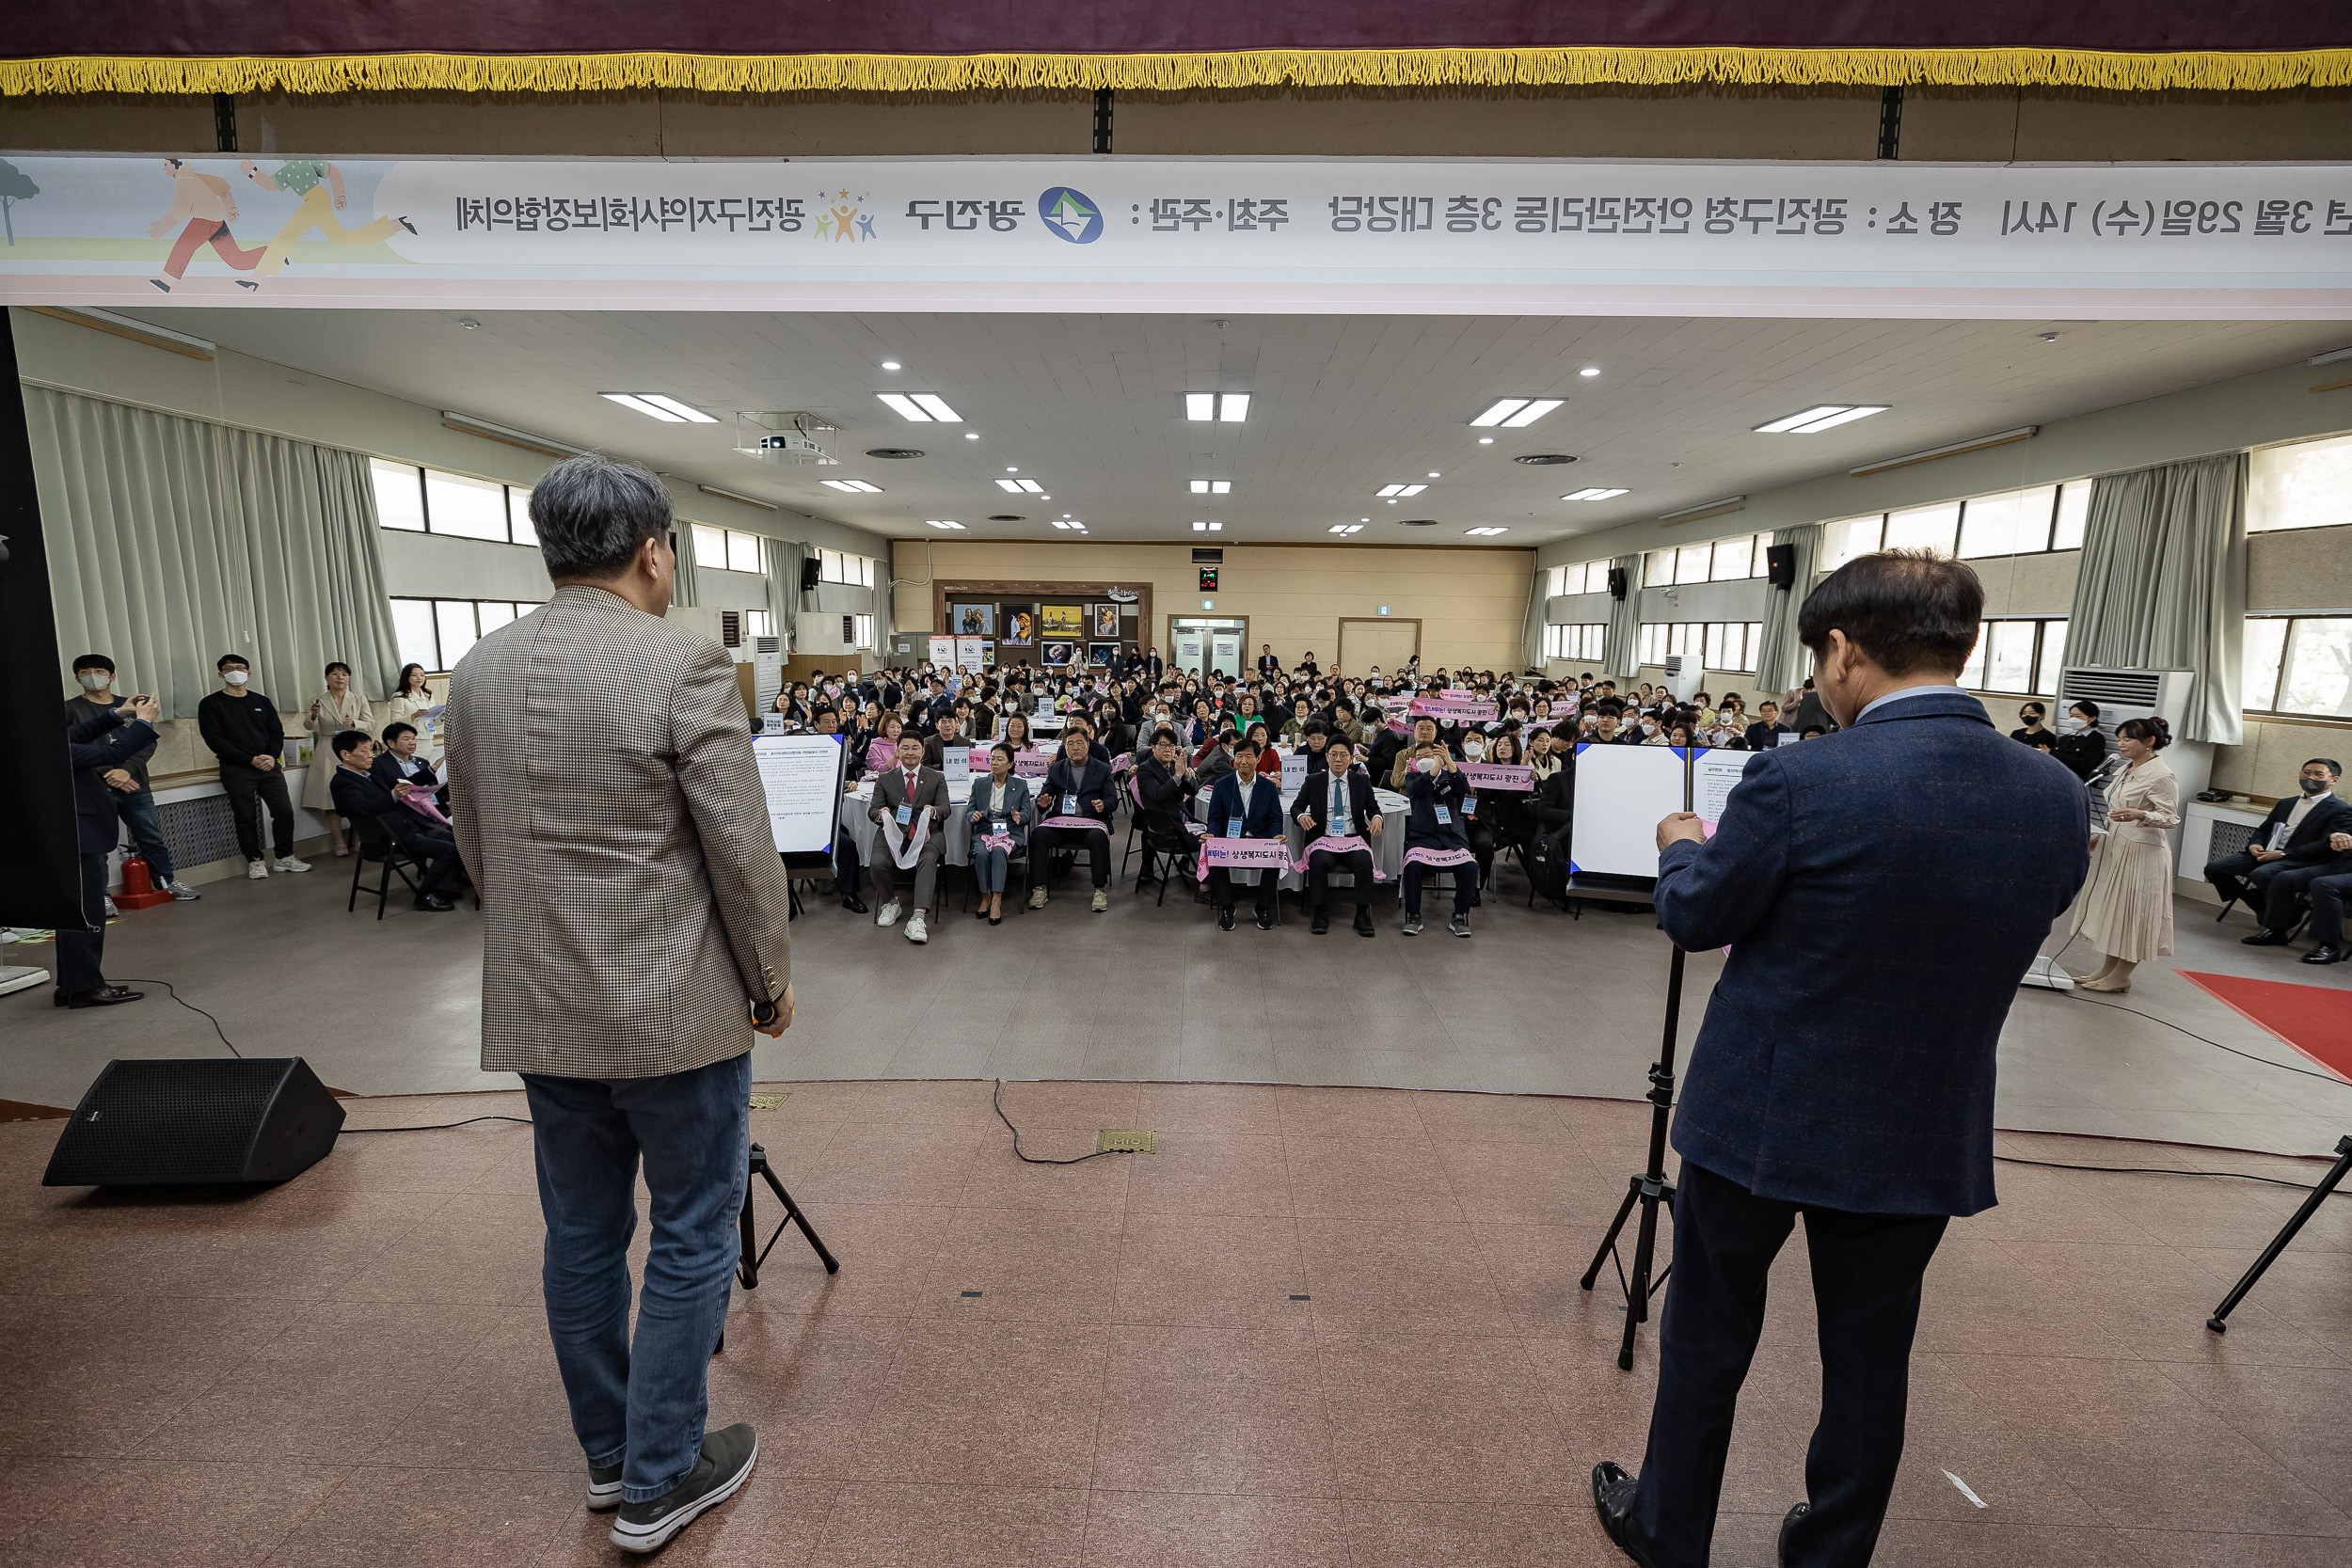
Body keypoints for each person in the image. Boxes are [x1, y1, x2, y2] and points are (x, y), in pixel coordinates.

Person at [1590, 551, 2090, 1568]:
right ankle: (1829, 1550)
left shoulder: (1799, 776)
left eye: (1821, 656)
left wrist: (1682, 841)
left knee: (1708, 1337)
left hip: (1761, 1117)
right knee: (1869, 1357)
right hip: (1919, 1120)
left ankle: (1668, 1528)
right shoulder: (2052, 792)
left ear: (1844, 651)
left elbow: (1696, 914)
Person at [445, 454, 791, 1555]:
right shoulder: (682, 660)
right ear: (653, 551)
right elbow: (740, 852)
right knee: (692, 1230)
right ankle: (661, 1475)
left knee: (582, 1232)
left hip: (544, 1006)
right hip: (672, 1012)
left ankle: (607, 1458)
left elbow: (473, 839)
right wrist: (769, 980)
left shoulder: (480, 667)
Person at [63, 654, 199, 901]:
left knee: (151, 837)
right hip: (94, 787)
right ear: (76, 677)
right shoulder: (70, 709)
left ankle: (165, 882)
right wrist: (107, 773)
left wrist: (127, 770)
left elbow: (146, 742)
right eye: (85, 672)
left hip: (135, 783)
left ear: (112, 676)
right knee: (96, 844)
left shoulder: (130, 705)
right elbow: (75, 750)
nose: (93, 676)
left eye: (100, 671)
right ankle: (99, 895)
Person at [57, 691, 163, 1006]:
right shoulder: (39, 746)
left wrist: (118, 715)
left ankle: (72, 984)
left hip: (75, 833)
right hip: (80, 836)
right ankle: (86, 987)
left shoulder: (39, 740)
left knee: (73, 916)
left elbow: (75, 735)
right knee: (88, 912)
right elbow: (112, 754)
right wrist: (143, 722)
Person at [2068, 717, 2183, 992]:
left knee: (2134, 913)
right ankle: (2108, 969)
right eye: (2120, 738)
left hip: (2142, 851)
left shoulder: (2161, 775)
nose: (2121, 743)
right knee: (2116, 911)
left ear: (2149, 741)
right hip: (2116, 846)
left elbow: (2171, 818)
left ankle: (2122, 975)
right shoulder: (2124, 769)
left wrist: (2141, 813)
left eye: (2128, 739)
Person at [2205, 758, 2352, 944]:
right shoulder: (2286, 803)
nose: (2310, 777)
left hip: (2297, 857)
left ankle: (2279, 923)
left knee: (2262, 875)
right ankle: (2256, 902)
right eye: (2306, 772)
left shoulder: (2341, 810)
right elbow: (2263, 829)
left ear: (2334, 780)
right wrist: (2254, 845)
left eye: (2318, 774)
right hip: (2266, 851)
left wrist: (2283, 854)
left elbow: (2324, 846)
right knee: (2215, 868)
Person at [198, 653, 310, 879]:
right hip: (236, 769)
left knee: (284, 812)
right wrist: (249, 759)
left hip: (269, 767)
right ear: (220, 674)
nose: (235, 672)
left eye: (240, 667)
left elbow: (276, 732)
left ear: (249, 672)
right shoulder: (210, 703)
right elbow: (214, 739)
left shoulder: (261, 701)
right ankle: (255, 861)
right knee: (245, 816)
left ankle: (284, 857)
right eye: (229, 669)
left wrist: (271, 755)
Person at [329, 730, 465, 911]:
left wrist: (431, 770)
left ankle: (445, 885)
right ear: (345, 755)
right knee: (450, 850)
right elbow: (361, 808)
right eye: (364, 751)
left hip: (404, 828)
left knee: (457, 839)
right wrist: (393, 795)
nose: (371, 756)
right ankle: (426, 895)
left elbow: (404, 783)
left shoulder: (369, 774)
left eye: (371, 750)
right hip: (387, 838)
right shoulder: (342, 782)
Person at [1295, 735, 1381, 936]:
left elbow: (1373, 808)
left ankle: (1362, 914)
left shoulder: (1361, 780)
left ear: (1351, 758)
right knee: (1318, 861)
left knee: (1364, 861)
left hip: (1353, 839)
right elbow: (1297, 806)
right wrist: (1301, 817)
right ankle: (1319, 911)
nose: (1338, 759)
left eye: (1344, 755)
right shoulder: (1313, 780)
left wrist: (1377, 817)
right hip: (1323, 839)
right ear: (1327, 756)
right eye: (1334, 754)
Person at [866, 733, 947, 943]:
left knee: (928, 860)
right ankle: (890, 903)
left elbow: (945, 808)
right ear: (898, 751)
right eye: (905, 748)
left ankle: (918, 917)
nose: (910, 752)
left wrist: (933, 811)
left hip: (927, 832)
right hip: (893, 833)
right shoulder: (885, 779)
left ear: (922, 751)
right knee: (876, 862)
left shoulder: (936, 777)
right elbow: (873, 810)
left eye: (915, 748)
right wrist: (881, 813)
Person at [1398, 737, 1477, 937]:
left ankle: (1459, 916)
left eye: (1429, 756)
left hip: (1452, 837)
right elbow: (1414, 791)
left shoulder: (1451, 776)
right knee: (1413, 865)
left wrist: (1449, 764)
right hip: (1422, 837)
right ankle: (1413, 915)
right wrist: (1433, 770)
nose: (1424, 759)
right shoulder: (1413, 778)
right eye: (1420, 757)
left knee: (1470, 866)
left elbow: (1463, 790)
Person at [1030, 727, 1116, 911]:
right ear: (1064, 747)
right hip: (1061, 823)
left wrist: (1103, 805)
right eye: (1070, 743)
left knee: (1098, 837)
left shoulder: (1102, 769)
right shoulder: (1056, 769)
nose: (1074, 747)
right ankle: (1039, 888)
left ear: (1088, 744)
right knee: (1038, 834)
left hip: (1090, 822)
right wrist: (1043, 803)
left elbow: (1112, 800)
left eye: (1079, 743)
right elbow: (1046, 794)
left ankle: (1099, 890)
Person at [1204, 737, 1285, 930]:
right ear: (1233, 759)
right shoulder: (1222, 784)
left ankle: (1263, 907)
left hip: (1259, 839)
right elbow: (1214, 818)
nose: (1243, 761)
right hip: (1231, 840)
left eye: (1249, 756)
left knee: (1276, 854)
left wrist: (1276, 835)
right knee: (1215, 854)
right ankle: (1226, 906)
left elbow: (1275, 818)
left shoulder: (1268, 786)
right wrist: (1212, 834)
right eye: (1239, 756)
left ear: (1258, 759)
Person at [305, 661, 374, 856]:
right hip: (328, 748)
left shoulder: (358, 699)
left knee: (359, 793)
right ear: (327, 678)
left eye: (344, 674)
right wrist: (312, 716)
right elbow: (309, 726)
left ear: (349, 678)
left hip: (353, 747)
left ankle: (362, 837)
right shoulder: (318, 699)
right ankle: (339, 843)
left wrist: (354, 722)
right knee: (330, 797)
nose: (340, 678)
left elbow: (370, 724)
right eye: (335, 674)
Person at [966, 742, 1035, 925]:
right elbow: (969, 809)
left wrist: (1020, 816)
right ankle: (985, 896)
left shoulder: (1020, 785)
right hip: (985, 829)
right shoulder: (980, 783)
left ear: (1010, 764)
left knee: (998, 851)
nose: (994, 763)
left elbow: (1027, 812)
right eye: (992, 758)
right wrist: (973, 815)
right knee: (980, 853)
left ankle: (997, 899)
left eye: (1000, 759)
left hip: (1009, 830)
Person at [2298, 834, 2352, 965]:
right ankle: (2328, 945)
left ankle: (2329, 946)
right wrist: (2336, 839)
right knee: (2321, 883)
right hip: (2343, 866)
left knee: (2325, 884)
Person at [2050, 699, 2108, 781]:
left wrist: (2052, 753)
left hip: (2080, 781)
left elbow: (2084, 765)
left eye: (2079, 716)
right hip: (2059, 778)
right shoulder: (2064, 738)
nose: (2074, 719)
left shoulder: (2096, 739)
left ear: (2092, 718)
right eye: (2071, 716)